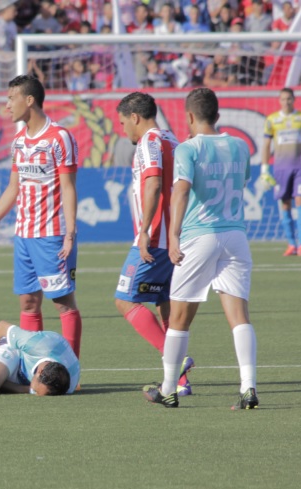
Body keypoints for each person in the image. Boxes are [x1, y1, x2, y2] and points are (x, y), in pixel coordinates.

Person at [143, 87, 258, 410]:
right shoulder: (240, 145)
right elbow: (242, 183)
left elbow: (181, 191)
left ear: (189, 117)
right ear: (217, 116)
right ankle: (248, 388)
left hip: (199, 236)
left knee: (179, 318)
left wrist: (174, 235)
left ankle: (168, 389)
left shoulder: (188, 148)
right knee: (239, 316)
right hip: (235, 236)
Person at [0, 74, 83, 360]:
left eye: (11, 98)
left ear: (29, 100)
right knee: (28, 303)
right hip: (24, 236)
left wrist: (70, 232)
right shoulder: (18, 142)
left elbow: (68, 187)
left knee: (63, 303)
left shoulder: (59, 137)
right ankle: (35, 366)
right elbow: (13, 188)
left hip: (52, 235)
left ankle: (70, 370)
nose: (7, 105)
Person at [114, 92, 192, 397]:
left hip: (157, 237)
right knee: (165, 304)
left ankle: (177, 361)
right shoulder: (173, 139)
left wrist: (145, 230)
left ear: (135, 117)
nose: (123, 129)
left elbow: (154, 182)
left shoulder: (149, 142)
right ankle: (179, 383)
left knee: (125, 300)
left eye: (123, 122)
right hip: (175, 237)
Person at [259, 88, 301, 257]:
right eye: (283, 99)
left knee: (300, 201)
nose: (286, 102)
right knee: (285, 205)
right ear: (279, 101)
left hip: (300, 168)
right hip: (281, 169)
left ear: (294, 100)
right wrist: (264, 169)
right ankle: (291, 244)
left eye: (289, 99)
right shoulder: (272, 120)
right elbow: (266, 145)